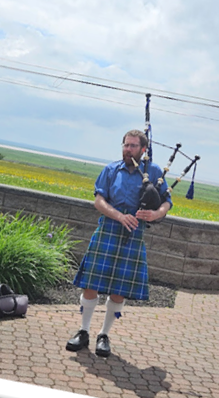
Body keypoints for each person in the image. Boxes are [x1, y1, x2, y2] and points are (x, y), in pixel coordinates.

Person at [67, 130, 173, 358]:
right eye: (126, 145)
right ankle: (83, 331)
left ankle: (104, 335)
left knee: (119, 290)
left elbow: (167, 202)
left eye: (133, 146)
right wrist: (119, 216)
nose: (128, 149)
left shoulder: (153, 172)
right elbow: (99, 200)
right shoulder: (111, 170)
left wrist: (155, 215)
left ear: (143, 150)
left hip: (134, 233)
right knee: (91, 283)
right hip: (108, 228)